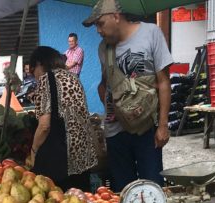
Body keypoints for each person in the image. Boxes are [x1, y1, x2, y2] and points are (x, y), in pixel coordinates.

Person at [84, 0, 173, 191]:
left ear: (115, 16)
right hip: (115, 132)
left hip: (147, 129)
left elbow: (164, 81)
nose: (98, 31)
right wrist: (108, 99)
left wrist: (163, 126)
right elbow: (105, 83)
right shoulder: (103, 48)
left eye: (100, 24)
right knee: (122, 192)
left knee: (152, 188)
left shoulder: (151, 33)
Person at [25, 46, 98, 191]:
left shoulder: (47, 79)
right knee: (81, 202)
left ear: (39, 63)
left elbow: (45, 125)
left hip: (60, 162)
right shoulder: (73, 77)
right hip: (83, 157)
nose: (35, 76)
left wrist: (33, 150)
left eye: (33, 71)